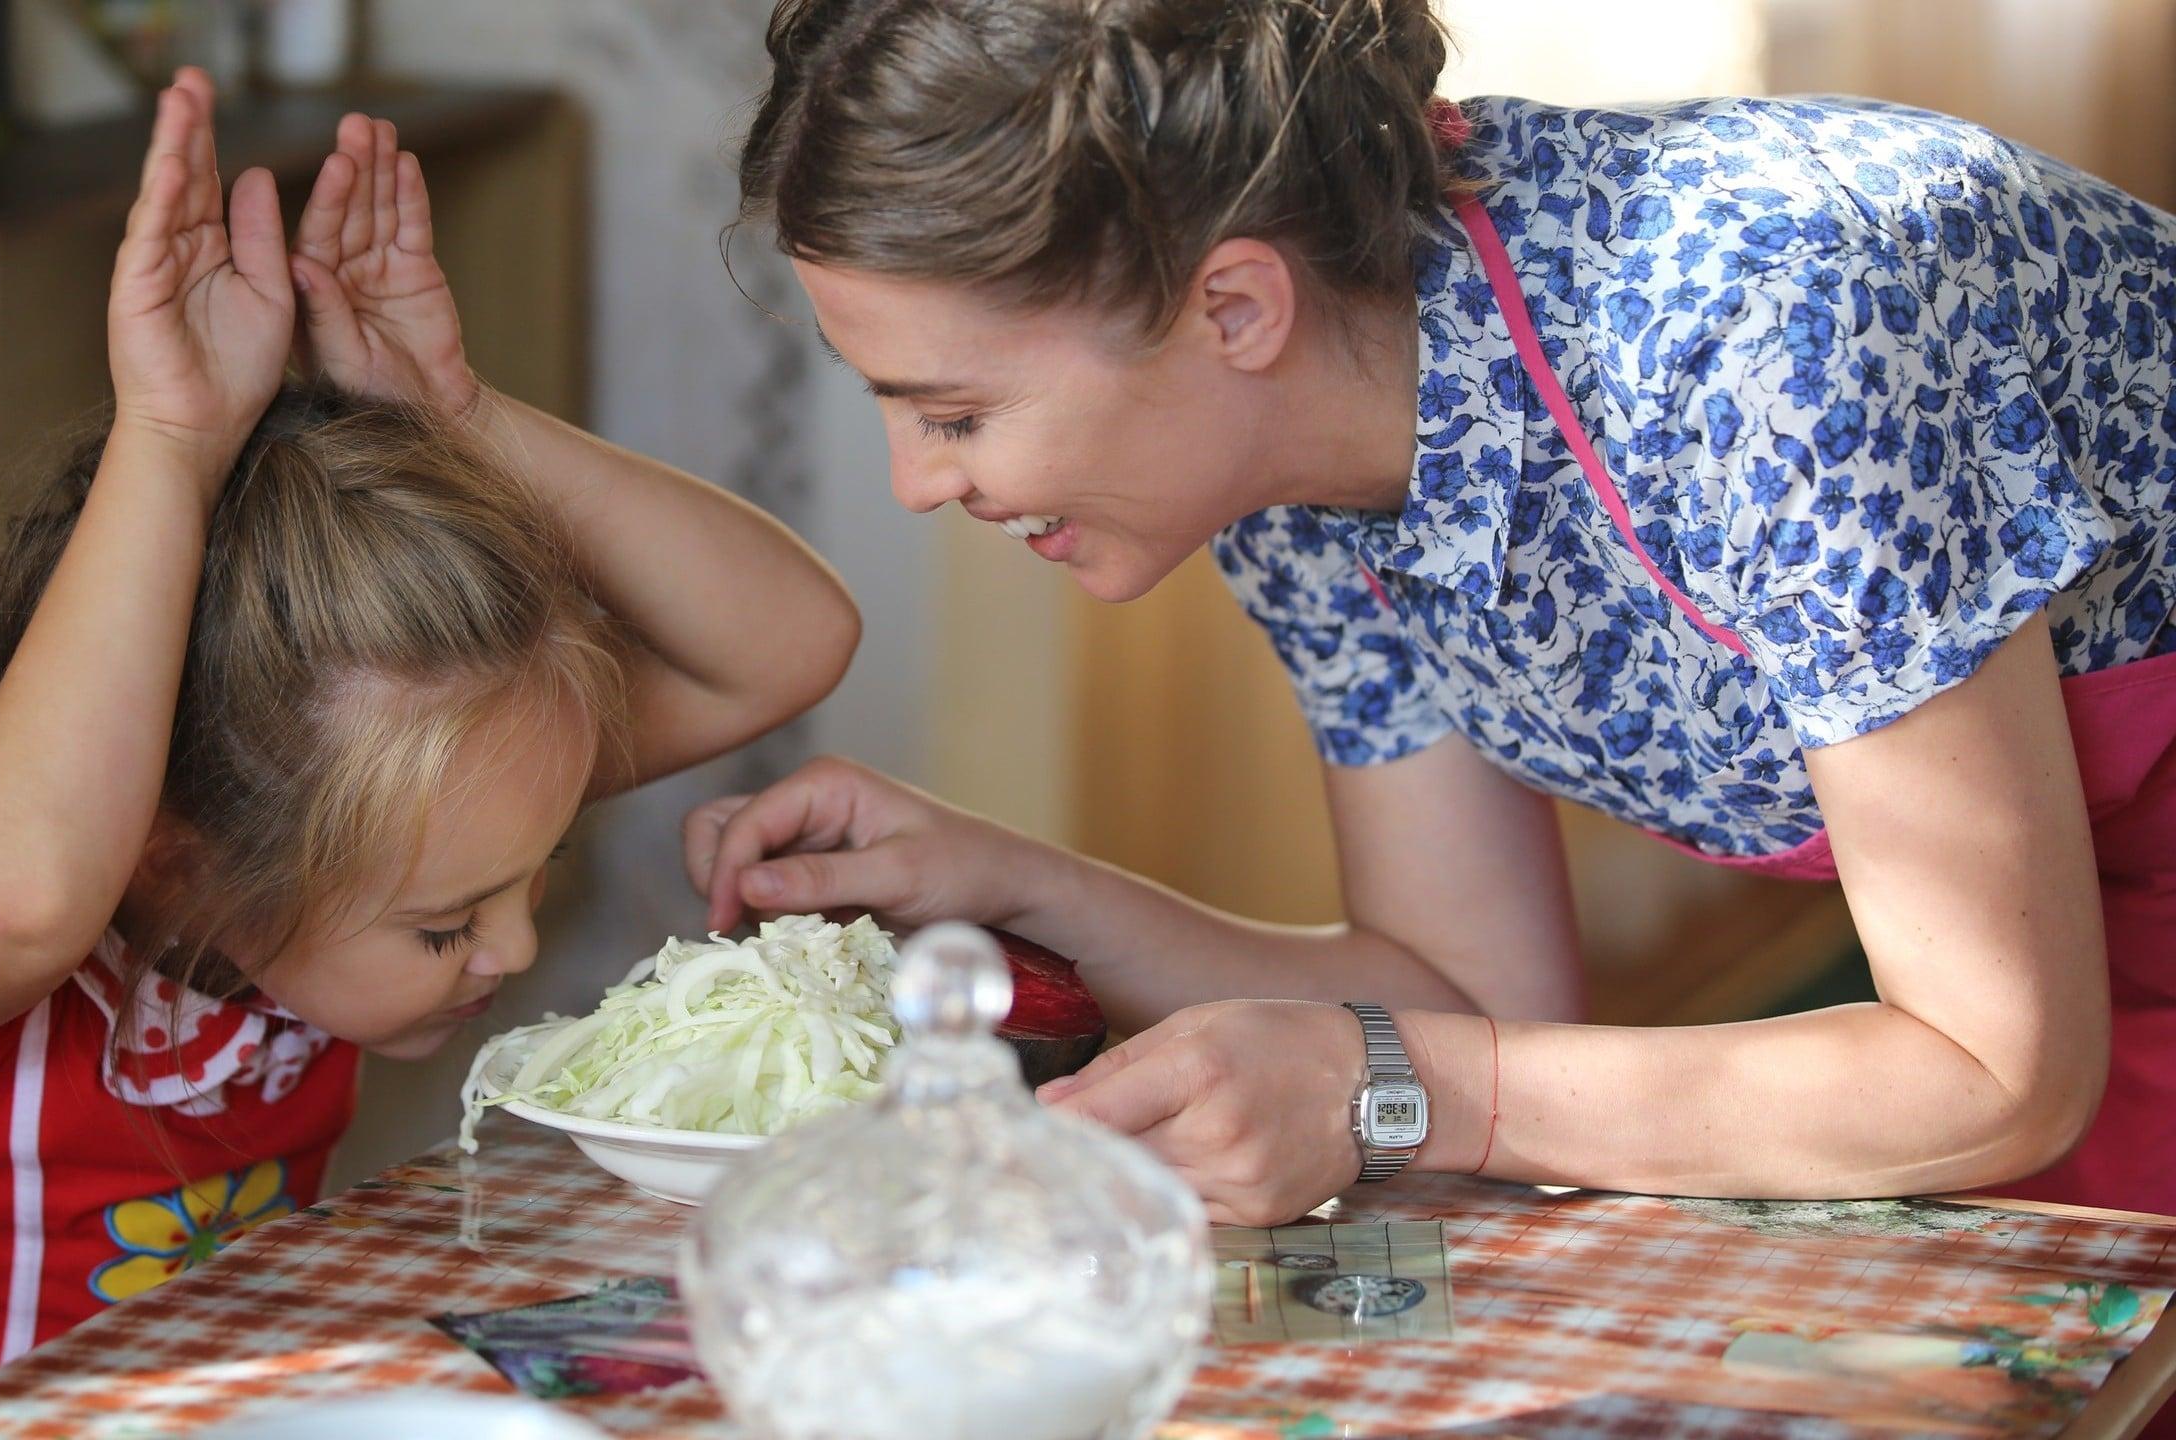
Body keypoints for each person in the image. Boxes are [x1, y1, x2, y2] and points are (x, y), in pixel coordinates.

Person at [686, 0, 2176, 1224]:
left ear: (1233, 311)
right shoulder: (1291, 459)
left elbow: (1990, 1072)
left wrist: (1372, 1087)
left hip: (2018, 1032)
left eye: (952, 414)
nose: (911, 484)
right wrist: (1004, 885)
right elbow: (1469, 996)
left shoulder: (1771, 330)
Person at [0, 70, 857, 1438]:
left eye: (529, 880)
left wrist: (457, 412)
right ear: (183, 858)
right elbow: (27, 902)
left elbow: (786, 642)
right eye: (445, 925)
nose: (515, 950)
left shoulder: (378, 800)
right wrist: (171, 444)